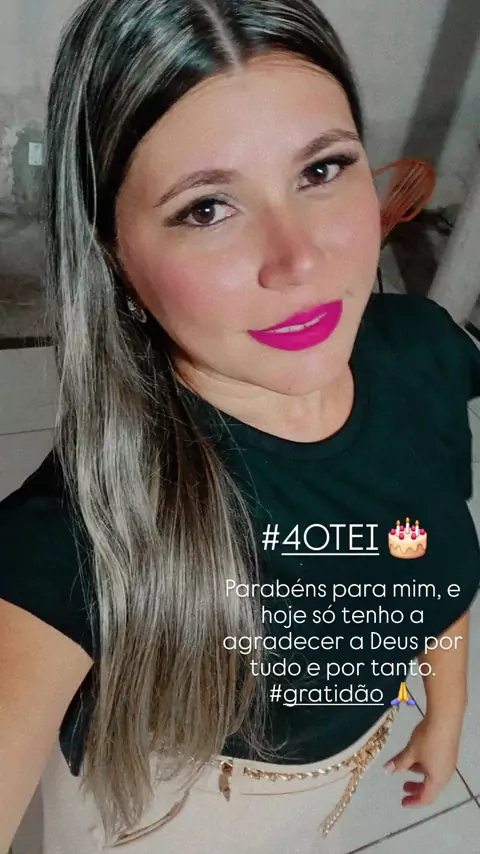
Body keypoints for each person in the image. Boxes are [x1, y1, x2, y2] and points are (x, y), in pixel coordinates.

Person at [1, 1, 479, 852]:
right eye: (206, 209)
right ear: (114, 258)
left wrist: (446, 711)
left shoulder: (426, 353)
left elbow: (430, 557)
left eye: (322, 169)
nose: (300, 259)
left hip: (333, 795)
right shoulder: (74, 539)